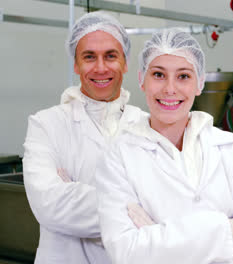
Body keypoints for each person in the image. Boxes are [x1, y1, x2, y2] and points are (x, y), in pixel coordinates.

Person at [95, 29, 233, 264]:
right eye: (158, 74)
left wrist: (157, 236)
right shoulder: (119, 157)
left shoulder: (232, 150)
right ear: (142, 80)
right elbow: (128, 252)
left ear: (199, 83)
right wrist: (223, 229)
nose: (170, 89)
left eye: (183, 76)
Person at [23, 11, 145, 263]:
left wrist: (74, 192)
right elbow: (51, 206)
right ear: (76, 64)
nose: (100, 68)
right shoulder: (46, 124)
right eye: (89, 57)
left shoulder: (147, 126)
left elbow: (168, 204)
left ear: (125, 62)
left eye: (111, 56)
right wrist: (136, 209)